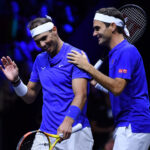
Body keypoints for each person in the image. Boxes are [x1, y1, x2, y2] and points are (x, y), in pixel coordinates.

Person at [0, 16, 94, 150]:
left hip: (74, 132)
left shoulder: (75, 55)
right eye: (38, 42)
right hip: (45, 133)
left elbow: (81, 95)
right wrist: (16, 81)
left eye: (44, 38)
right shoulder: (40, 60)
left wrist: (68, 121)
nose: (42, 45)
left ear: (54, 30)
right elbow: (30, 96)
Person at [67, 7, 150, 150]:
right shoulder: (115, 54)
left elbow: (117, 88)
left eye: (97, 28)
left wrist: (88, 67)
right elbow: (121, 90)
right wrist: (96, 82)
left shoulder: (126, 51)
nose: (94, 33)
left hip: (133, 124)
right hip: (125, 123)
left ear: (112, 26)